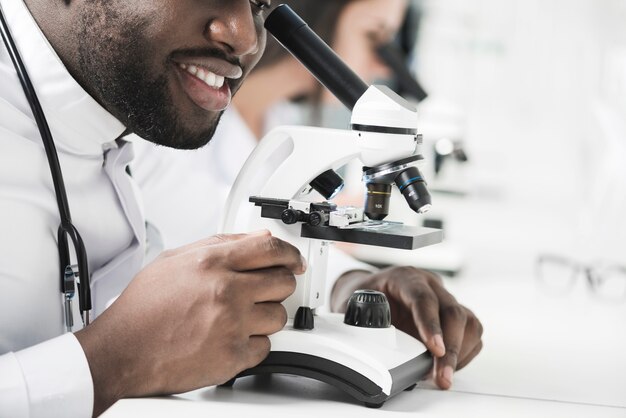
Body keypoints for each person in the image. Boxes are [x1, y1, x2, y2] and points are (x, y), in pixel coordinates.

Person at [0, 1, 482, 418]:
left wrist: (351, 288)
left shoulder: (117, 116)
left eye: (260, 4)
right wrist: (113, 361)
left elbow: (220, 219)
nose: (247, 37)